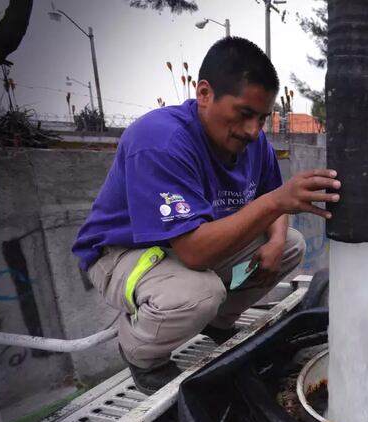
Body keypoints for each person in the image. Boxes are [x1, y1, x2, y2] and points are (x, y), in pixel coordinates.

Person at [72, 37, 340, 394]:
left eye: (262, 118)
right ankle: (140, 352)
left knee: (288, 245)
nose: (253, 130)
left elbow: (268, 198)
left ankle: (219, 323)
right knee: (199, 292)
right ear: (203, 93)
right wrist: (276, 203)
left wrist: (274, 238)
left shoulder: (253, 144)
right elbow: (196, 252)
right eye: (244, 113)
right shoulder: (160, 140)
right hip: (121, 252)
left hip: (184, 245)